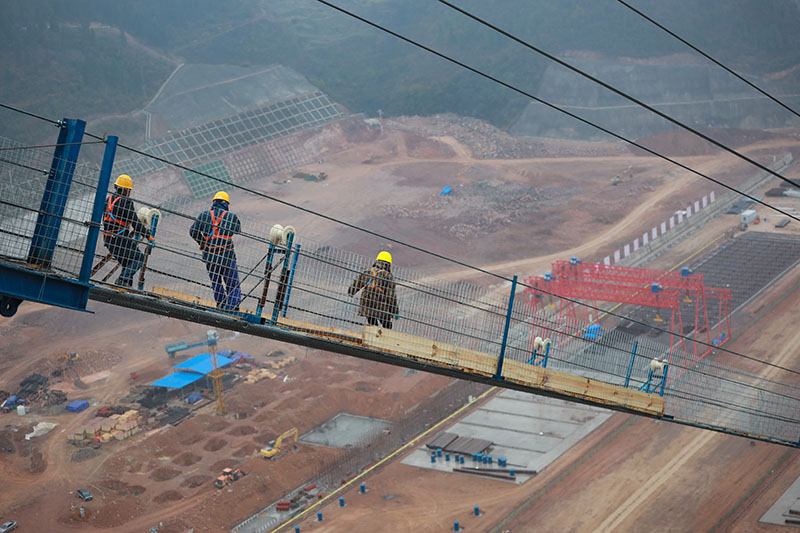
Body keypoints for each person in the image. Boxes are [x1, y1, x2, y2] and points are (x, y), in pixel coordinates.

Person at [190, 191, 242, 311]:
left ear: (213, 202)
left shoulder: (204, 215)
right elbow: (238, 230)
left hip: (210, 257)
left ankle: (221, 304)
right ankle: (232, 307)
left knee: (216, 283)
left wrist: (202, 242)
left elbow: (193, 231)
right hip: (227, 256)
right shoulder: (231, 217)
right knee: (233, 284)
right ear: (226, 204)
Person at [102, 174, 151, 287]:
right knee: (139, 258)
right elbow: (135, 222)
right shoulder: (126, 202)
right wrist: (148, 236)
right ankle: (122, 279)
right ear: (125, 189)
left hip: (108, 239)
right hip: (121, 239)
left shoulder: (107, 200)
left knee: (128, 262)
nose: (129, 192)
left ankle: (126, 285)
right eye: (129, 190)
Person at [348, 251, 399, 329]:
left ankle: (372, 338)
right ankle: (383, 339)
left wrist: (351, 292)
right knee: (387, 326)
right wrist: (395, 311)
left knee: (372, 325)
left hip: (366, 303)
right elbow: (391, 296)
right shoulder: (388, 276)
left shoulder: (367, 272)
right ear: (388, 264)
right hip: (380, 306)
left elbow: (357, 284)